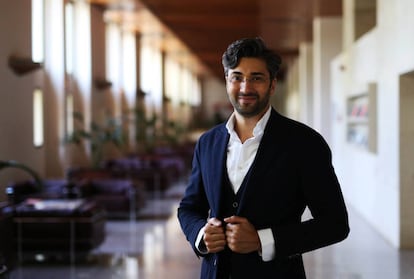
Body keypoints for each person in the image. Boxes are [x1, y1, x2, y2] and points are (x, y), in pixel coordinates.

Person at [177, 37, 349, 279]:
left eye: (256, 78)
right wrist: (200, 235)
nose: (246, 87)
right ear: (227, 81)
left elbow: (335, 223)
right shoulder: (207, 143)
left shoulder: (306, 143)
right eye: (237, 77)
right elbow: (189, 208)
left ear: (272, 84)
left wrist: (262, 240)